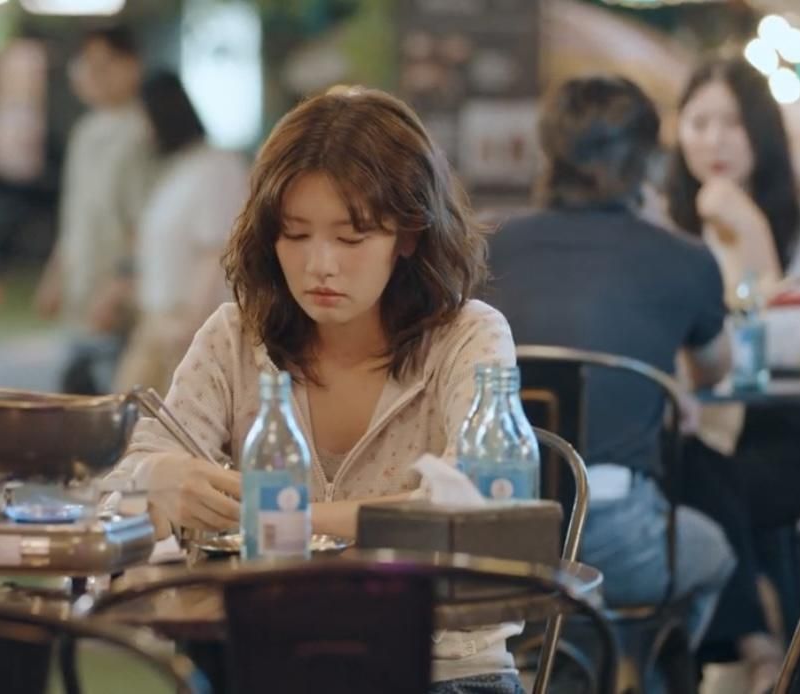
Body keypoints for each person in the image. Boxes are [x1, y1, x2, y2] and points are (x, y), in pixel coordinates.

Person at [105, 86, 525, 694]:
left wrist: (282, 519)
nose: (319, 265)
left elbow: (476, 505)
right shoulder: (234, 337)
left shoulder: (469, 337)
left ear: (409, 234)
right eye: (295, 235)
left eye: (351, 239)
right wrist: (159, 476)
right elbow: (124, 479)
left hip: (444, 668)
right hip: (266, 663)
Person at [484, 76, 736, 654]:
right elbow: (714, 371)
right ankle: (631, 672)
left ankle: (566, 664)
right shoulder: (684, 258)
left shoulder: (487, 243)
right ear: (647, 159)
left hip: (494, 531)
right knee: (713, 552)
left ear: (548, 150)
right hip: (620, 538)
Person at [666, 55, 800, 691]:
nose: (715, 141)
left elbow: (778, 335)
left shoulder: (791, 224)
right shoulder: (666, 229)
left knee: (707, 477)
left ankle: (755, 643)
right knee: (689, 465)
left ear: (762, 132)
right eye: (700, 123)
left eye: (733, 123)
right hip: (704, 435)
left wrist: (748, 227)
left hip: (783, 431)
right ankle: (759, 641)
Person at [34, 26, 155, 395]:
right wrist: (55, 275)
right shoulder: (85, 131)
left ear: (132, 66)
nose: (93, 76)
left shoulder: (141, 134)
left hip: (118, 305)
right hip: (80, 298)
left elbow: (144, 223)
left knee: (116, 408)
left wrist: (118, 288)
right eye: (86, 66)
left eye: (104, 65)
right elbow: (76, 217)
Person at [112, 71, 249, 395]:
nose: (141, 130)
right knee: (130, 415)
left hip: (186, 324)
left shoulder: (216, 167)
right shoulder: (181, 170)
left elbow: (215, 248)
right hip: (158, 321)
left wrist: (191, 325)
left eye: (144, 117)